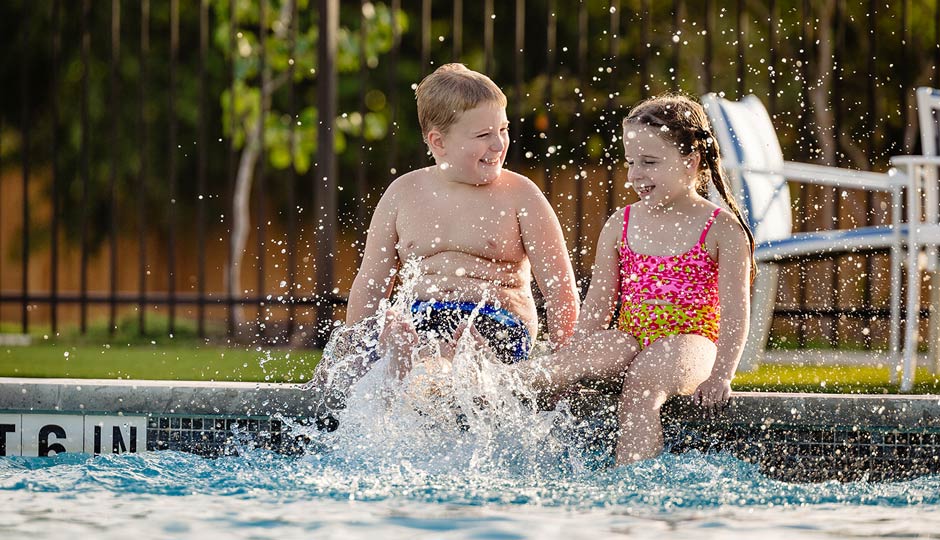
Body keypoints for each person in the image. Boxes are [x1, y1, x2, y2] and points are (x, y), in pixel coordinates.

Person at [519, 93, 755, 465]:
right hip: (631, 338)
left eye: (649, 162)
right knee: (585, 358)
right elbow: (598, 305)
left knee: (642, 382)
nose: (635, 175)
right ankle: (498, 390)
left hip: (692, 342)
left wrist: (721, 375)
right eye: (631, 162)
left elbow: (737, 312)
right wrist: (576, 357)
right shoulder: (621, 224)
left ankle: (630, 483)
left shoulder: (721, 230)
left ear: (690, 162)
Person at [345, 63, 579, 379]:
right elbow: (371, 284)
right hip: (420, 319)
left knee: (442, 358)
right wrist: (353, 355)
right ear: (438, 141)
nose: (498, 145)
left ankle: (421, 373)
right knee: (397, 336)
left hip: (496, 323)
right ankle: (405, 367)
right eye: (484, 135)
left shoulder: (520, 195)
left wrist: (563, 369)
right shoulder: (403, 193)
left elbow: (560, 291)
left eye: (503, 129)